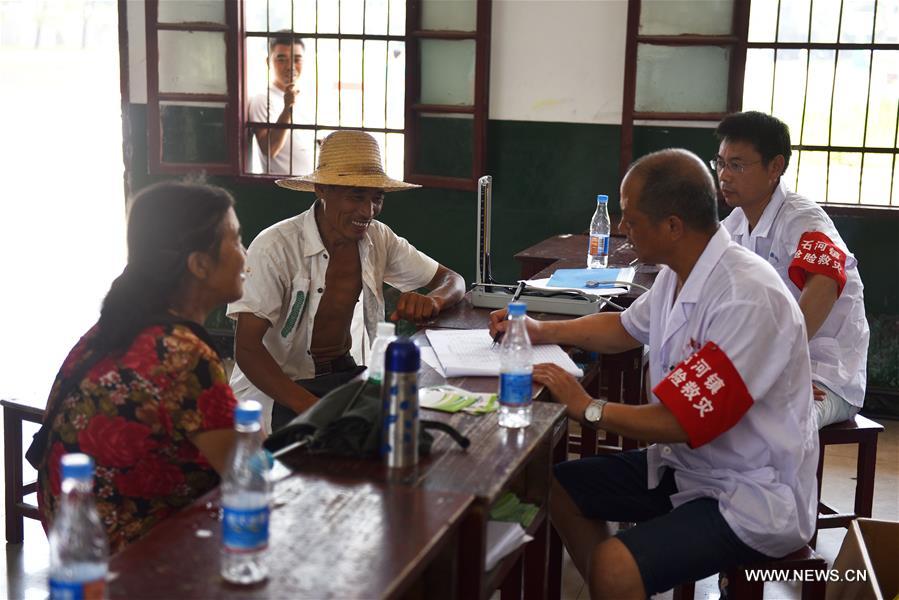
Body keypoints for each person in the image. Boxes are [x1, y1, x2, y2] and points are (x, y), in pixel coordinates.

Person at [489, 149, 819, 599]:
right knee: (557, 486)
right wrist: (540, 328)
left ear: (673, 226)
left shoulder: (747, 297)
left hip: (750, 491)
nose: (623, 229)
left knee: (614, 565)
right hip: (690, 466)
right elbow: (623, 327)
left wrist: (588, 408)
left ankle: (617, 580)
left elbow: (681, 421)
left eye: (630, 218)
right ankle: (617, 587)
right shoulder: (680, 272)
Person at [34, 181, 246, 552]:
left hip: (75, 540)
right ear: (199, 264)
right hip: (132, 558)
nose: (245, 257)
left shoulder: (115, 325)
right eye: (236, 240)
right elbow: (246, 471)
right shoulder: (180, 352)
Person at [228, 130, 465, 433]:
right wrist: (313, 409)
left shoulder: (378, 238)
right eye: (355, 196)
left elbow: (453, 280)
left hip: (343, 375)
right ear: (321, 189)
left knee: (414, 424)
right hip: (280, 389)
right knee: (342, 450)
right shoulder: (276, 247)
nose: (367, 212)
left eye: (376, 198)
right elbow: (247, 349)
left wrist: (433, 300)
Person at [715, 111, 869, 428]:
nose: (725, 175)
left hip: (824, 373)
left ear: (776, 167)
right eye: (720, 163)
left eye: (738, 165)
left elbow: (824, 285)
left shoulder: (804, 221)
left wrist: (776, 366)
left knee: (780, 422)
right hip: (762, 366)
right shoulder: (735, 224)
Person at [247, 33, 312, 175]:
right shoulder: (262, 99)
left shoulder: (306, 99)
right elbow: (270, 150)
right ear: (268, 62)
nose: (290, 66)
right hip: (281, 190)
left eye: (297, 59)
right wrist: (288, 108)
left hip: (310, 187)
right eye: (282, 59)